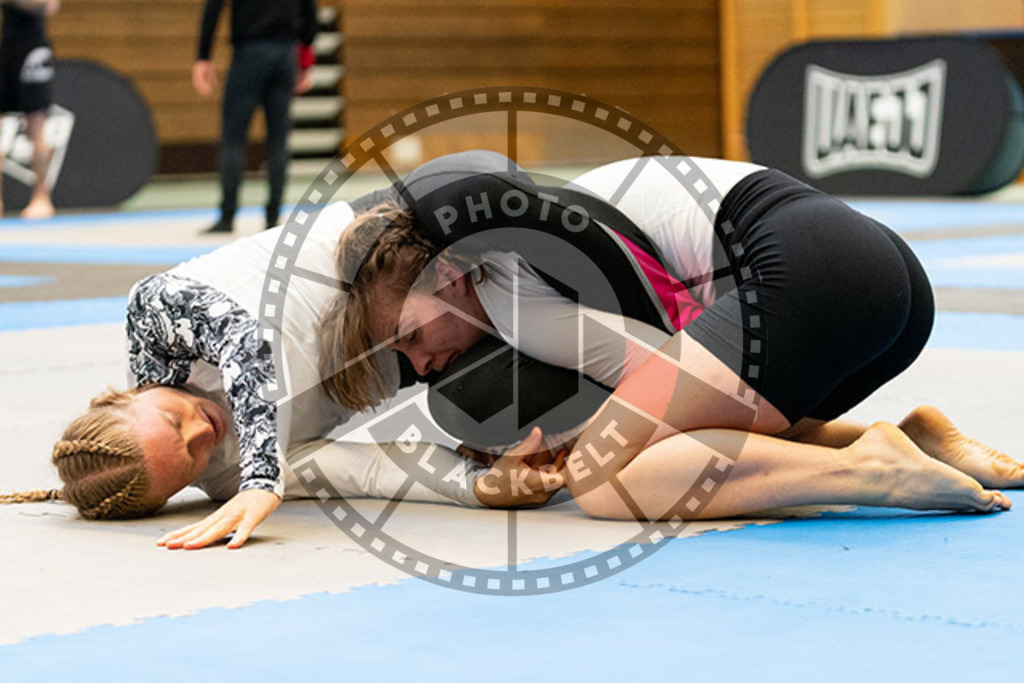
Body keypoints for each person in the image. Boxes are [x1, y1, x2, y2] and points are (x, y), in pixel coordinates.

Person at [326, 152, 1024, 520]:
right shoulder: (528, 258)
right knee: (650, 439)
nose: (420, 362)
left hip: (813, 269)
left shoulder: (512, 297)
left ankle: (872, 467)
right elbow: (685, 390)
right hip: (876, 275)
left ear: (448, 273)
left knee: (602, 479)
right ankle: (912, 433)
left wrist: (579, 448)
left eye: (409, 333)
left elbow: (658, 369)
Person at [1, 199, 565, 548]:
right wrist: (477, 488)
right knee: (507, 411)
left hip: (390, 260)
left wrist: (260, 481)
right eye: (190, 461)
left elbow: (246, 344)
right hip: (407, 354)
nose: (203, 433)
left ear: (127, 394)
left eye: (174, 422)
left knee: (481, 195)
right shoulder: (230, 481)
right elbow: (361, 471)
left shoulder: (155, 314)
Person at [193, 0, 317, 234]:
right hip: (284, 54)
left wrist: (203, 55)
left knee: (233, 138)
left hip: (248, 53)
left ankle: (227, 216)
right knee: (278, 140)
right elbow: (308, 10)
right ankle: (273, 217)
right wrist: (305, 61)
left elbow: (214, 6)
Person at [0, 0, 58, 219]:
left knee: (36, 127)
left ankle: (42, 197)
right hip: (6, 48)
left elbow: (50, 7)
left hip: (33, 49)